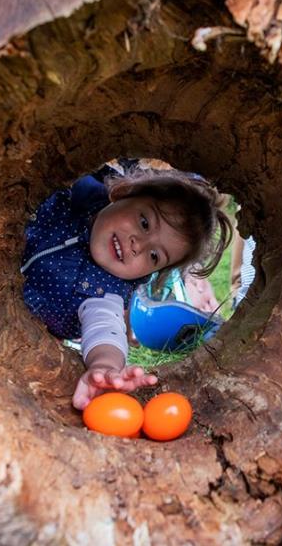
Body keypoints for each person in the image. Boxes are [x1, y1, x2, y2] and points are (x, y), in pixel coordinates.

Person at [20, 168, 232, 410]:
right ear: (123, 193)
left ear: (150, 273)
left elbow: (105, 328)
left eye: (154, 255)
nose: (138, 246)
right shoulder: (79, 194)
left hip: (16, 327)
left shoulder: (106, 291)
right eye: (144, 223)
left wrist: (105, 367)